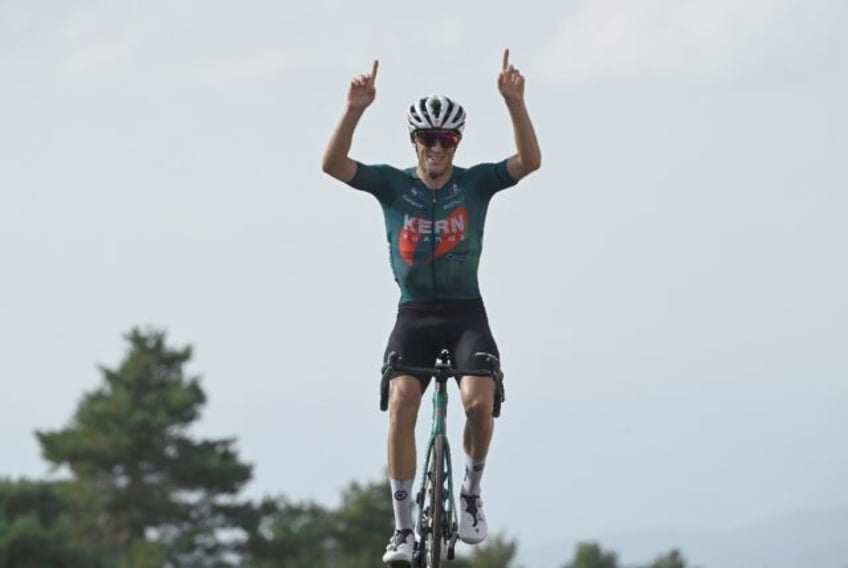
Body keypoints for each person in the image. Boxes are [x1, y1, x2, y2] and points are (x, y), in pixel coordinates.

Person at [321, 48, 541, 565]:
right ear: (414, 141)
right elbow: (333, 165)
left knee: (477, 404)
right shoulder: (393, 185)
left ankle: (470, 492)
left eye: (447, 139)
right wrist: (354, 109)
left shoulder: (476, 183)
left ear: (457, 143)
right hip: (414, 314)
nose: (437, 147)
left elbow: (529, 162)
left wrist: (515, 103)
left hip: (466, 313)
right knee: (401, 404)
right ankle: (402, 531)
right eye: (428, 138)